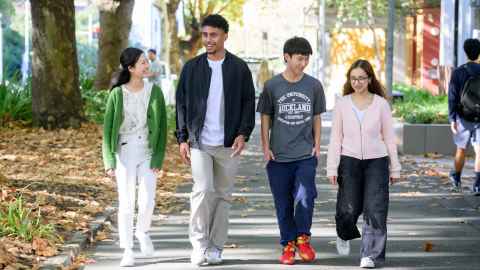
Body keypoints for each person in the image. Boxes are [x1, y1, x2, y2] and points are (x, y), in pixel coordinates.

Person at [175, 14, 255, 266]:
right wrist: (182, 138)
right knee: (202, 191)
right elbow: (181, 104)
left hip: (229, 144)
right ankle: (198, 246)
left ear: (224, 36)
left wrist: (243, 133)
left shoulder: (239, 68)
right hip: (200, 142)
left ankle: (215, 247)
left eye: (214, 35)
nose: (208, 39)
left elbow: (247, 103)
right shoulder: (192, 68)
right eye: (206, 35)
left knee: (223, 196)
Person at [256, 37, 325, 265]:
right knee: (283, 203)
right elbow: (265, 118)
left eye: (306, 59)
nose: (303, 63)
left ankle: (302, 237)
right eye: (299, 58)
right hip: (278, 156)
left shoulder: (314, 85)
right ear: (287, 57)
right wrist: (266, 147)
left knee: (307, 195)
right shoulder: (272, 86)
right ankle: (288, 245)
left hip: (305, 154)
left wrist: (317, 144)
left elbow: (316, 117)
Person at [326, 59, 401, 269]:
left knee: (375, 208)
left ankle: (370, 255)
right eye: (353, 78)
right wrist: (332, 167)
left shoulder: (381, 104)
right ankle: (344, 232)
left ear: (369, 79)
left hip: (376, 160)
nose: (357, 82)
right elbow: (335, 139)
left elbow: (389, 137)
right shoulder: (342, 104)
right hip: (349, 160)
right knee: (348, 208)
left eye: (361, 78)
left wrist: (395, 168)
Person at [102, 47, 167, 267]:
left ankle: (142, 232)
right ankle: (128, 249)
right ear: (130, 68)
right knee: (127, 202)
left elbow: (163, 128)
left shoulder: (154, 92)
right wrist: (109, 161)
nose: (147, 65)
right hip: (124, 152)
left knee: (148, 199)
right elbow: (108, 129)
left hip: (148, 151)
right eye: (142, 63)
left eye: (146, 62)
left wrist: (158, 157)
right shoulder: (117, 94)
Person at [448, 38, 480, 195]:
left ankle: (456, 178)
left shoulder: (458, 72)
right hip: (479, 117)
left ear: (465, 52)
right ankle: (478, 185)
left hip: (463, 116)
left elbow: (452, 97)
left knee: (461, 149)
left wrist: (452, 118)